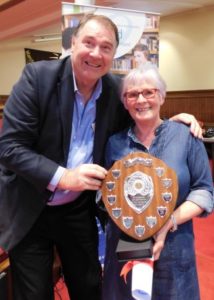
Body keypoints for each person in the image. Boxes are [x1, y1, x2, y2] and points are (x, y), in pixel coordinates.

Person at [0, 13, 203, 300]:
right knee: (34, 293)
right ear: (73, 43)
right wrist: (65, 177)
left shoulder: (113, 91)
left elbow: (140, 117)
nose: (96, 53)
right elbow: (9, 147)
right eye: (89, 43)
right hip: (30, 205)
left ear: (114, 53)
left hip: (77, 210)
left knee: (90, 287)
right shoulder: (38, 78)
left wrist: (170, 123)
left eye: (106, 47)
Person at [102, 66, 213, 300]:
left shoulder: (185, 137)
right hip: (126, 247)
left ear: (162, 96)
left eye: (149, 92)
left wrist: (167, 222)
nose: (141, 100)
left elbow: (204, 191)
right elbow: (106, 191)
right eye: (132, 94)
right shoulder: (114, 143)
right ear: (125, 102)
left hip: (174, 245)